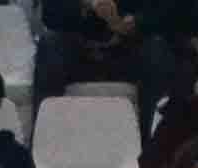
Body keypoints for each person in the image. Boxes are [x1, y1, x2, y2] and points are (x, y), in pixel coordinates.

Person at [36, 0, 184, 122]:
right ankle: (44, 139)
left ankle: (151, 146)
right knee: (49, 45)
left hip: (127, 51)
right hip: (79, 53)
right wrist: (87, 4)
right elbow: (50, 14)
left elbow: (165, 12)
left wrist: (136, 23)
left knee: (157, 49)